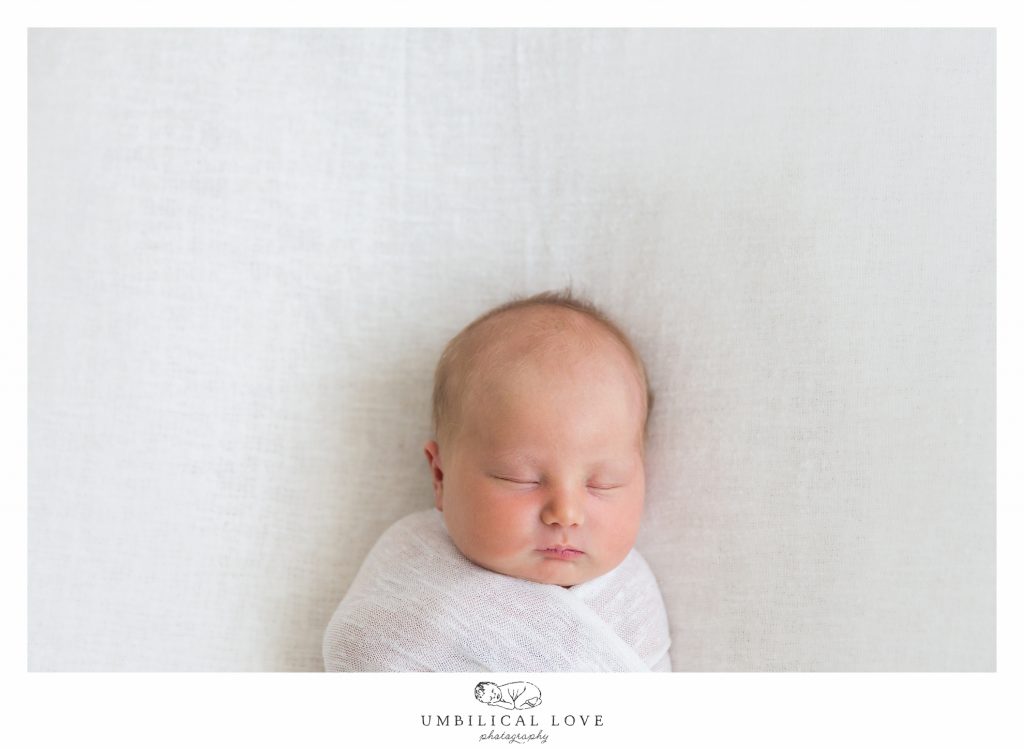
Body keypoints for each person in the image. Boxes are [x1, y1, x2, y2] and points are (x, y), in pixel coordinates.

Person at [323, 288, 671, 671]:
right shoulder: (412, 561)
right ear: (440, 476)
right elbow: (361, 647)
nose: (566, 512)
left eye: (603, 483)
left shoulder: (630, 594)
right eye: (520, 478)